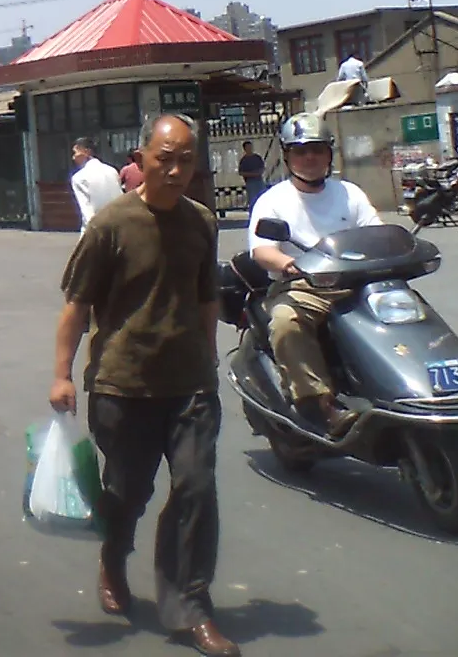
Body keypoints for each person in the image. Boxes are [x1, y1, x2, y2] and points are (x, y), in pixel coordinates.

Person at [51, 115, 236, 657]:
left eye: (185, 160)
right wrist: (62, 374)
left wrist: (208, 360)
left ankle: (191, 606)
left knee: (197, 489)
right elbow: (77, 306)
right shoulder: (111, 225)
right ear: (143, 157)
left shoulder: (202, 221)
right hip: (123, 385)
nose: (175, 170)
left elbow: (207, 299)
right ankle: (114, 555)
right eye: (165, 158)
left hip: (189, 387)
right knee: (127, 494)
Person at [247, 113, 379, 438]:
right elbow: (262, 250)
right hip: (304, 285)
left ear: (329, 154)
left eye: (317, 150)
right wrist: (287, 264)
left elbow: (377, 232)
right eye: (301, 150)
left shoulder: (350, 193)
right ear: (287, 155)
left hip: (356, 281)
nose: (310, 157)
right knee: (285, 322)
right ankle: (317, 404)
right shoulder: (273, 200)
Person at [70, 137, 123, 232]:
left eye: (75, 152)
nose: (73, 157)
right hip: (118, 226)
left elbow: (87, 211)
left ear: (86, 152)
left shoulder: (79, 177)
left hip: (97, 230)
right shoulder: (112, 170)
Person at [237, 141, 267, 209]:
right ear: (244, 149)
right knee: (253, 199)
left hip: (259, 180)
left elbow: (262, 168)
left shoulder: (257, 157)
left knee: (263, 197)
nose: (250, 148)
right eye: (248, 147)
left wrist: (257, 173)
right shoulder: (243, 160)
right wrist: (251, 174)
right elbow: (241, 172)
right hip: (250, 182)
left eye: (250, 147)